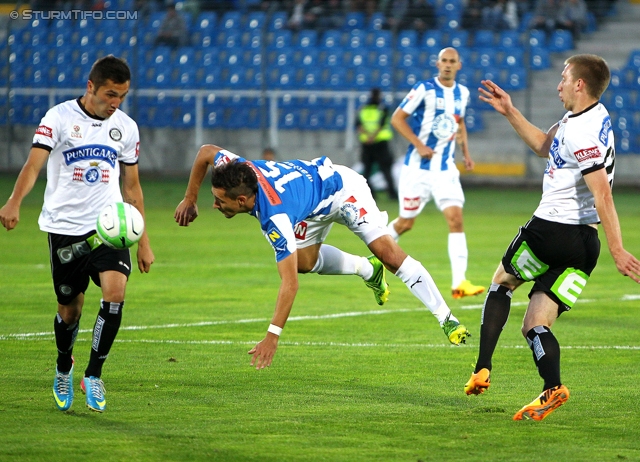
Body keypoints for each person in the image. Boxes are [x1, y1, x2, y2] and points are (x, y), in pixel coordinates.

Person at [174, 145, 471, 369]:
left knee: (388, 254)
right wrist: (190, 197)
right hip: (310, 206)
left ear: (241, 200)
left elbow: (288, 285)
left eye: (218, 200)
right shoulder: (236, 168)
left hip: (343, 190)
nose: (213, 205)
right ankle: (367, 270)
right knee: (303, 263)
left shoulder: (275, 219)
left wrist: (272, 335)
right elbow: (206, 153)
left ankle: (447, 318)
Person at [464, 55, 640, 421]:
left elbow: (602, 194)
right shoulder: (592, 116)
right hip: (583, 247)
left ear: (580, 84)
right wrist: (510, 111)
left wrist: (619, 249)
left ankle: (482, 367)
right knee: (536, 324)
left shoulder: (580, 132)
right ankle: (552, 387)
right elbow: (545, 145)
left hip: (551, 230)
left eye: (564, 78)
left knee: (501, 283)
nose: (558, 84)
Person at [0, 55, 155, 413]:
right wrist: (14, 202)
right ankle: (63, 366)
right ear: (91, 87)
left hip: (108, 227)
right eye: (109, 94)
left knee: (115, 294)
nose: (115, 103)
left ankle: (94, 374)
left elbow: (132, 187)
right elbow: (33, 164)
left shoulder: (126, 128)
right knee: (70, 311)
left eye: (122, 96)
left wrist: (144, 241)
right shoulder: (58, 118)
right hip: (63, 229)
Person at [388, 47, 485, 300]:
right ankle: (374, 258)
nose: (448, 65)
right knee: (406, 223)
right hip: (417, 170)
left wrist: (466, 152)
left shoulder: (462, 93)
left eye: (452, 61)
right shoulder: (423, 89)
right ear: (437, 63)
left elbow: (459, 122)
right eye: (444, 61)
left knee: (456, 220)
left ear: (459, 66)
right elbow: (397, 119)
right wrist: (419, 145)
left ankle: (459, 283)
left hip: (445, 170)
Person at [355, 88, 398, 201]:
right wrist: (373, 136)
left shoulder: (363, 109)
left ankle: (370, 193)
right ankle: (392, 194)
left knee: (367, 170)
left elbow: (358, 125)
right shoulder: (382, 108)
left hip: (367, 143)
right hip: (380, 143)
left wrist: (368, 136)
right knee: (386, 170)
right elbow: (381, 125)